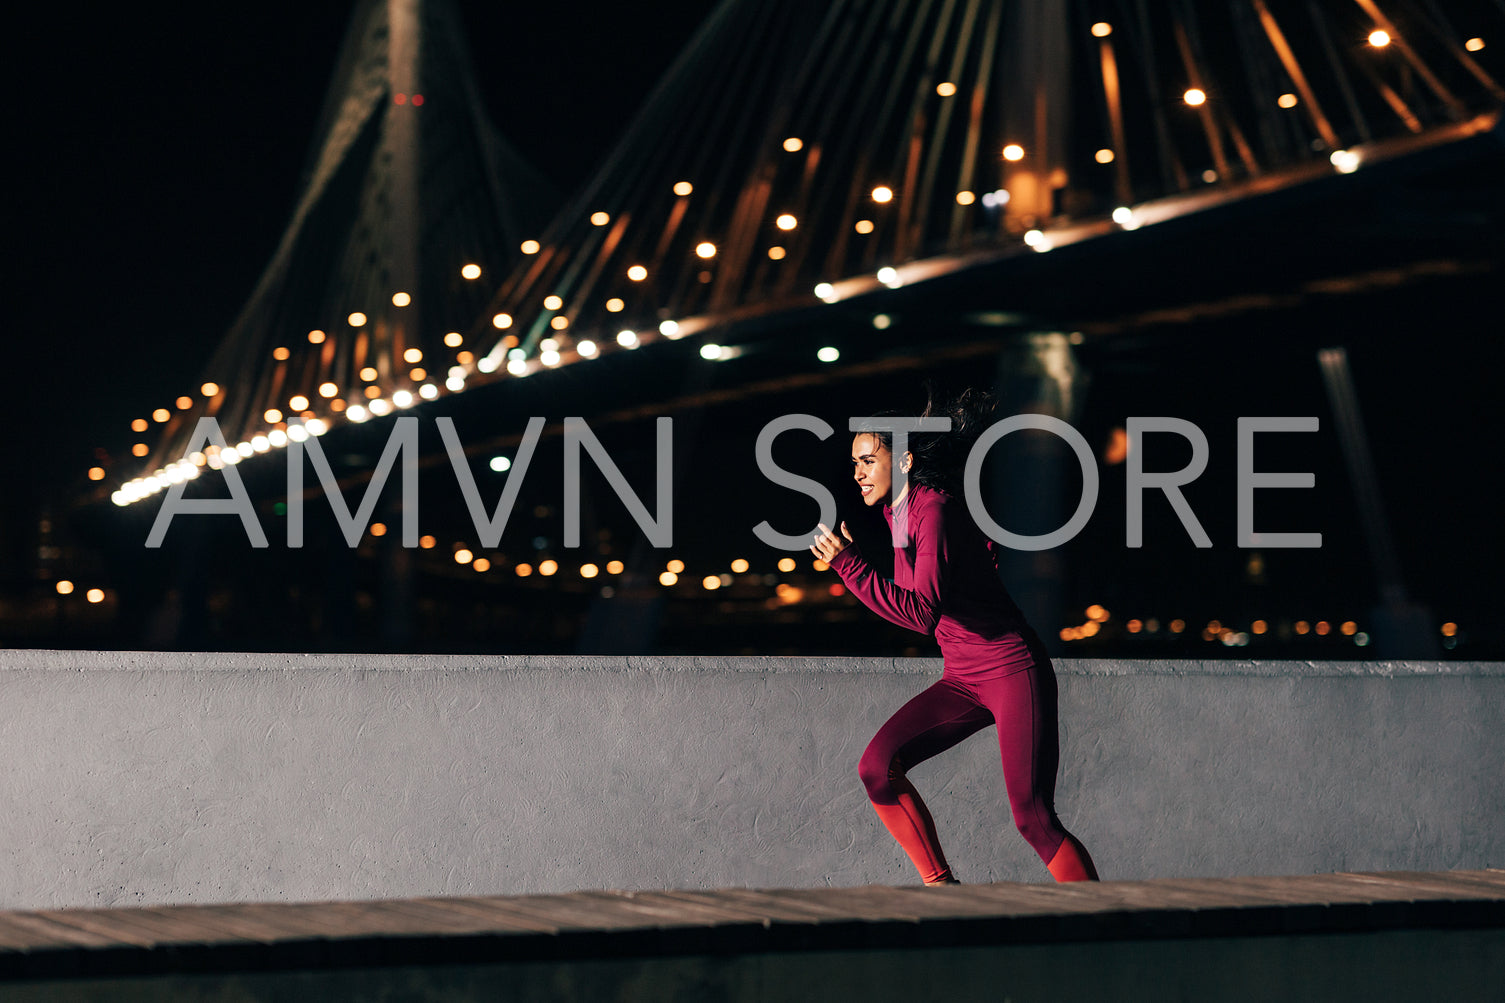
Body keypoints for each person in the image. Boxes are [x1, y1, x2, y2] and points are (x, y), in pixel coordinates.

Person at [809, 388, 1099, 884]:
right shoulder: (898, 515)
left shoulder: (933, 511)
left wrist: (848, 564)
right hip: (962, 678)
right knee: (878, 767)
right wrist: (855, 566)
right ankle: (942, 892)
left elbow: (920, 613)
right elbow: (916, 600)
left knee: (1033, 819)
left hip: (1012, 670)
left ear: (900, 459)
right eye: (853, 462)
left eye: (868, 460)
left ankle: (1106, 925)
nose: (857, 472)